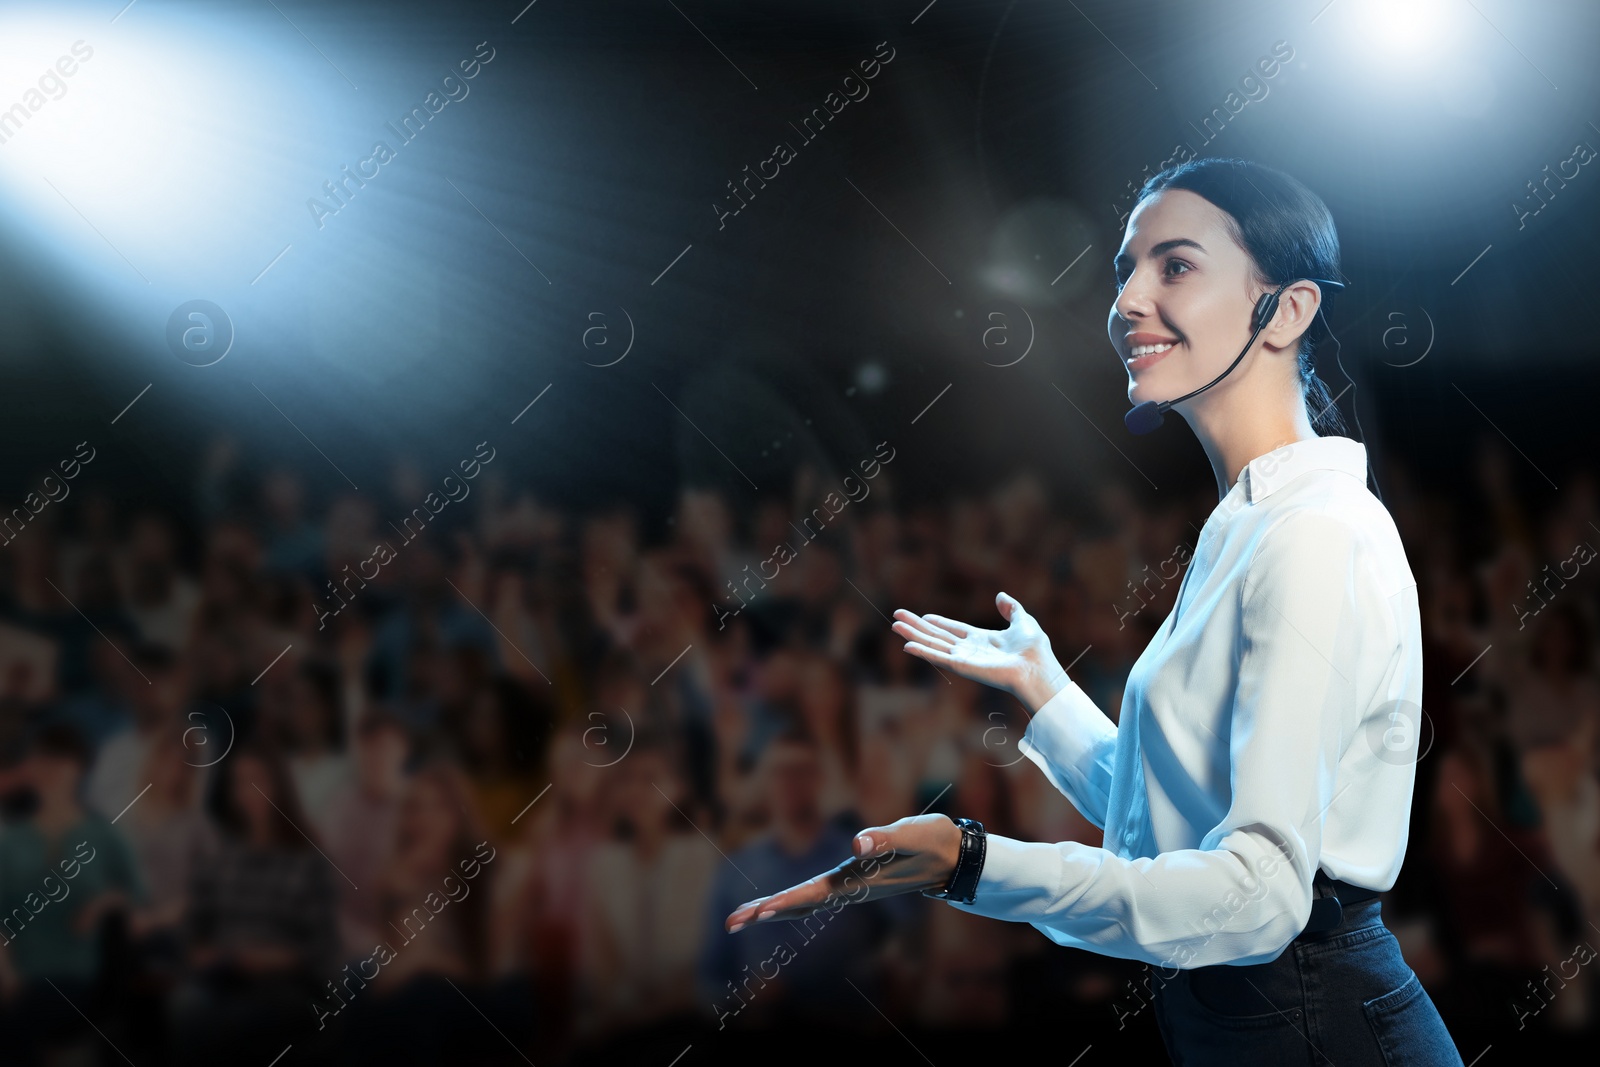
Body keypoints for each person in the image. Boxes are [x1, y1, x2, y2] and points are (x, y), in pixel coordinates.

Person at [724, 158, 1464, 1065]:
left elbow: (1261, 896)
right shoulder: (1254, 521)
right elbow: (1178, 820)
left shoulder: (1311, 533)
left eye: (1176, 266)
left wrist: (975, 862)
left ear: (1290, 309)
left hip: (1316, 1024)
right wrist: (1046, 689)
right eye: (1126, 268)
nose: (1128, 300)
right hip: (1266, 1019)